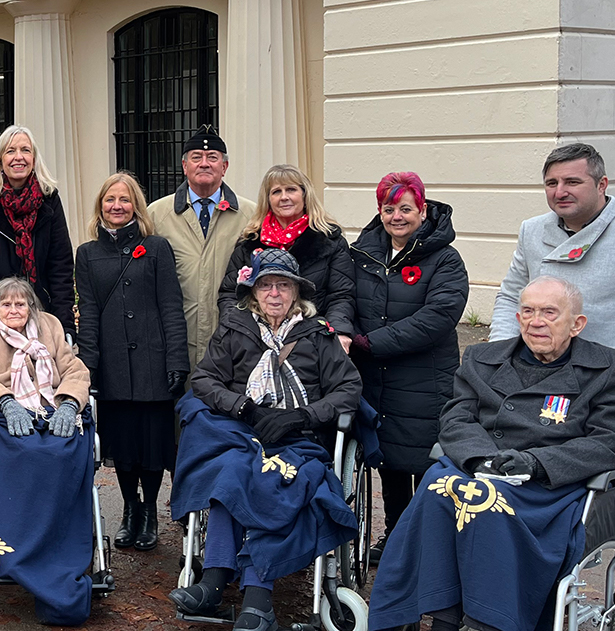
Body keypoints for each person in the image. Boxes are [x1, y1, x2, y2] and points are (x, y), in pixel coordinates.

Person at [371, 277, 615, 631]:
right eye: (528, 311)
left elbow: (609, 442)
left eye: (549, 312)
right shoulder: (482, 358)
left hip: (555, 484)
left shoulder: (610, 368)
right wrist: (481, 460)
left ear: (577, 323)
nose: (536, 322)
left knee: (488, 503)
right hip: (483, 467)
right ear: (517, 317)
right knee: (440, 486)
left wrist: (536, 463)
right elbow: (457, 418)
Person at [489, 142, 615, 603]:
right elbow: (509, 295)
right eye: (552, 182)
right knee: (535, 479)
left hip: (611, 387)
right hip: (540, 384)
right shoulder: (533, 231)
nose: (560, 191)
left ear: (602, 184)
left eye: (572, 181)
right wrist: (496, 358)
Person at [169, 249, 361, 631]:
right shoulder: (235, 329)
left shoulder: (318, 334)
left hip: (299, 439)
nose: (274, 293)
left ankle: (258, 598)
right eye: (266, 285)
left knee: (273, 480)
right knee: (232, 472)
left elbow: (349, 390)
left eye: (283, 285)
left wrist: (302, 416)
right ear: (253, 293)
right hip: (241, 430)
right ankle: (215, 579)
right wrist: (243, 407)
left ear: (296, 293)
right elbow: (205, 380)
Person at [0, 277, 95, 625]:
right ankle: (21, 555)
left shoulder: (49, 326)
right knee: (26, 455)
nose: (14, 310)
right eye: (7, 304)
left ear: (32, 307)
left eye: (21, 304)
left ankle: (59, 557)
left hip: (50, 408)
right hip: (2, 414)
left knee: (65, 450)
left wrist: (68, 404)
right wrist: (5, 401)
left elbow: (74, 369)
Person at [347, 172, 468, 558]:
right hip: (376, 378)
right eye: (388, 208)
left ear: (422, 209)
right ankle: (397, 535)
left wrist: (370, 343)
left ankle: (427, 543)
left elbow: (438, 316)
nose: (397, 216)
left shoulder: (445, 259)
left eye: (405, 208)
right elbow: (345, 299)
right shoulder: (362, 253)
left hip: (424, 379)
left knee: (424, 463)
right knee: (390, 462)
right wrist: (346, 333)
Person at [74, 172, 187, 550]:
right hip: (113, 366)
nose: (117, 206)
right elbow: (88, 312)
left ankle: (151, 511)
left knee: (152, 447)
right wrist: (88, 366)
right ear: (101, 206)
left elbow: (171, 306)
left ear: (135, 206)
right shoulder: (88, 254)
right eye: (110, 200)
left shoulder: (156, 247)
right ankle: (128, 509)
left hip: (154, 360)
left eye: (124, 200)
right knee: (122, 447)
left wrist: (177, 359)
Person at [147, 127, 256, 376]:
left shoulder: (251, 216)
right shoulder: (156, 214)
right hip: (173, 340)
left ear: (225, 167)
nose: (204, 164)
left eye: (213, 157)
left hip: (233, 339)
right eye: (196, 157)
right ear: (184, 166)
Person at [217, 164, 355, 345]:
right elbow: (230, 293)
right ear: (268, 199)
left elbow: (341, 294)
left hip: (313, 341)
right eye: (276, 192)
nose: (284, 197)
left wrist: (337, 332)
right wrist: (239, 331)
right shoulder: (250, 241)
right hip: (257, 342)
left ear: (305, 195)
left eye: (291, 189)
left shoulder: (330, 240)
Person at [0, 125, 75, 332]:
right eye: (10, 151)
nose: (18, 157)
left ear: (34, 158)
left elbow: (61, 267)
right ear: (0, 159)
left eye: (25, 150)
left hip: (41, 314)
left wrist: (65, 326)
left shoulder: (50, 200)